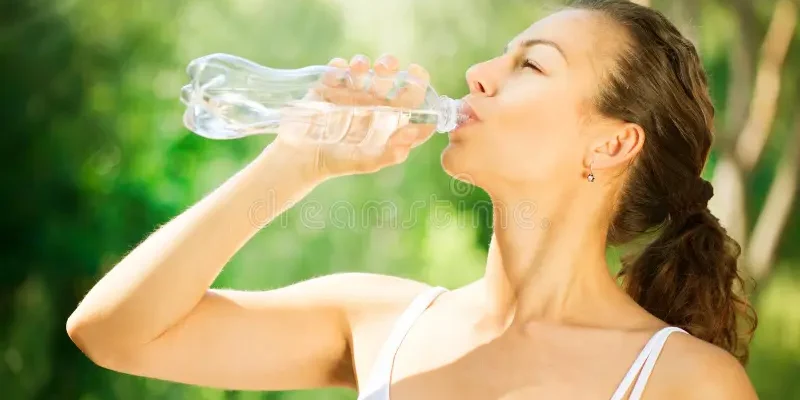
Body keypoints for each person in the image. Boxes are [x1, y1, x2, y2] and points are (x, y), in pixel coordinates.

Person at [66, 0, 759, 399]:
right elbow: (112, 332)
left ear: (609, 146)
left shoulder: (684, 381)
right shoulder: (377, 320)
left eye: (531, 64)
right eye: (502, 54)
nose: (479, 76)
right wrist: (294, 164)